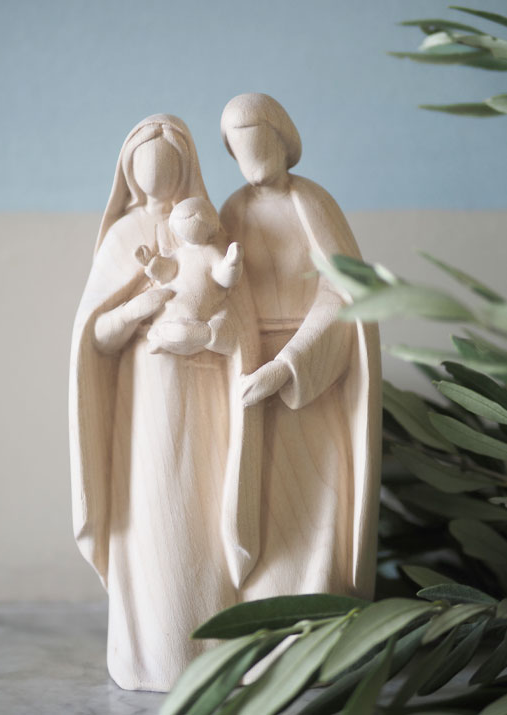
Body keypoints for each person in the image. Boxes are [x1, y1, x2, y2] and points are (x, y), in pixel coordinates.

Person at [69, 115, 262, 691]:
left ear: (186, 168)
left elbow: (239, 318)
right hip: (143, 402)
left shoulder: (210, 229)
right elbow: (96, 337)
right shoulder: (122, 236)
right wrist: (138, 309)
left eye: (167, 168)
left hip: (205, 399)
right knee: (150, 514)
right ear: (128, 174)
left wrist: (207, 335)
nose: (155, 181)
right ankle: (147, 653)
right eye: (144, 170)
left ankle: (211, 648)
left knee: (201, 513)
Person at [220, 93, 382, 602]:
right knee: (262, 502)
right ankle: (261, 618)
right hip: (249, 368)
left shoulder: (310, 202)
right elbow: (218, 288)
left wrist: (288, 365)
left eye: (258, 143)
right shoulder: (233, 209)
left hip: (310, 377)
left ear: (282, 139)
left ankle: (316, 615)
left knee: (318, 495)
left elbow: (343, 291)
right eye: (239, 148)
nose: (251, 159)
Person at [131, 196, 244, 354]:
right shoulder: (180, 254)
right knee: (168, 322)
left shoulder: (211, 253)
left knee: (205, 327)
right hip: (174, 309)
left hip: (200, 316)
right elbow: (167, 271)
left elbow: (223, 277)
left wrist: (231, 263)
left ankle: (183, 335)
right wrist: (150, 262)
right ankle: (162, 337)